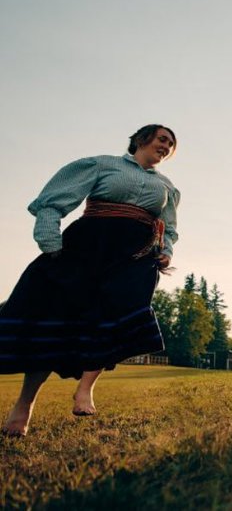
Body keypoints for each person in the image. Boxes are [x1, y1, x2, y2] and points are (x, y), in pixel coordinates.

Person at [1, 125, 180, 437]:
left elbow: (170, 227)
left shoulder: (167, 187)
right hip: (87, 247)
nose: (166, 146)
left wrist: (164, 251)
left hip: (134, 256)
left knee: (116, 317)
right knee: (55, 318)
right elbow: (52, 201)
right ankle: (24, 405)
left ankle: (85, 390)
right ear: (141, 139)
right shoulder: (102, 165)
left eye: (171, 145)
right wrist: (50, 242)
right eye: (162, 139)